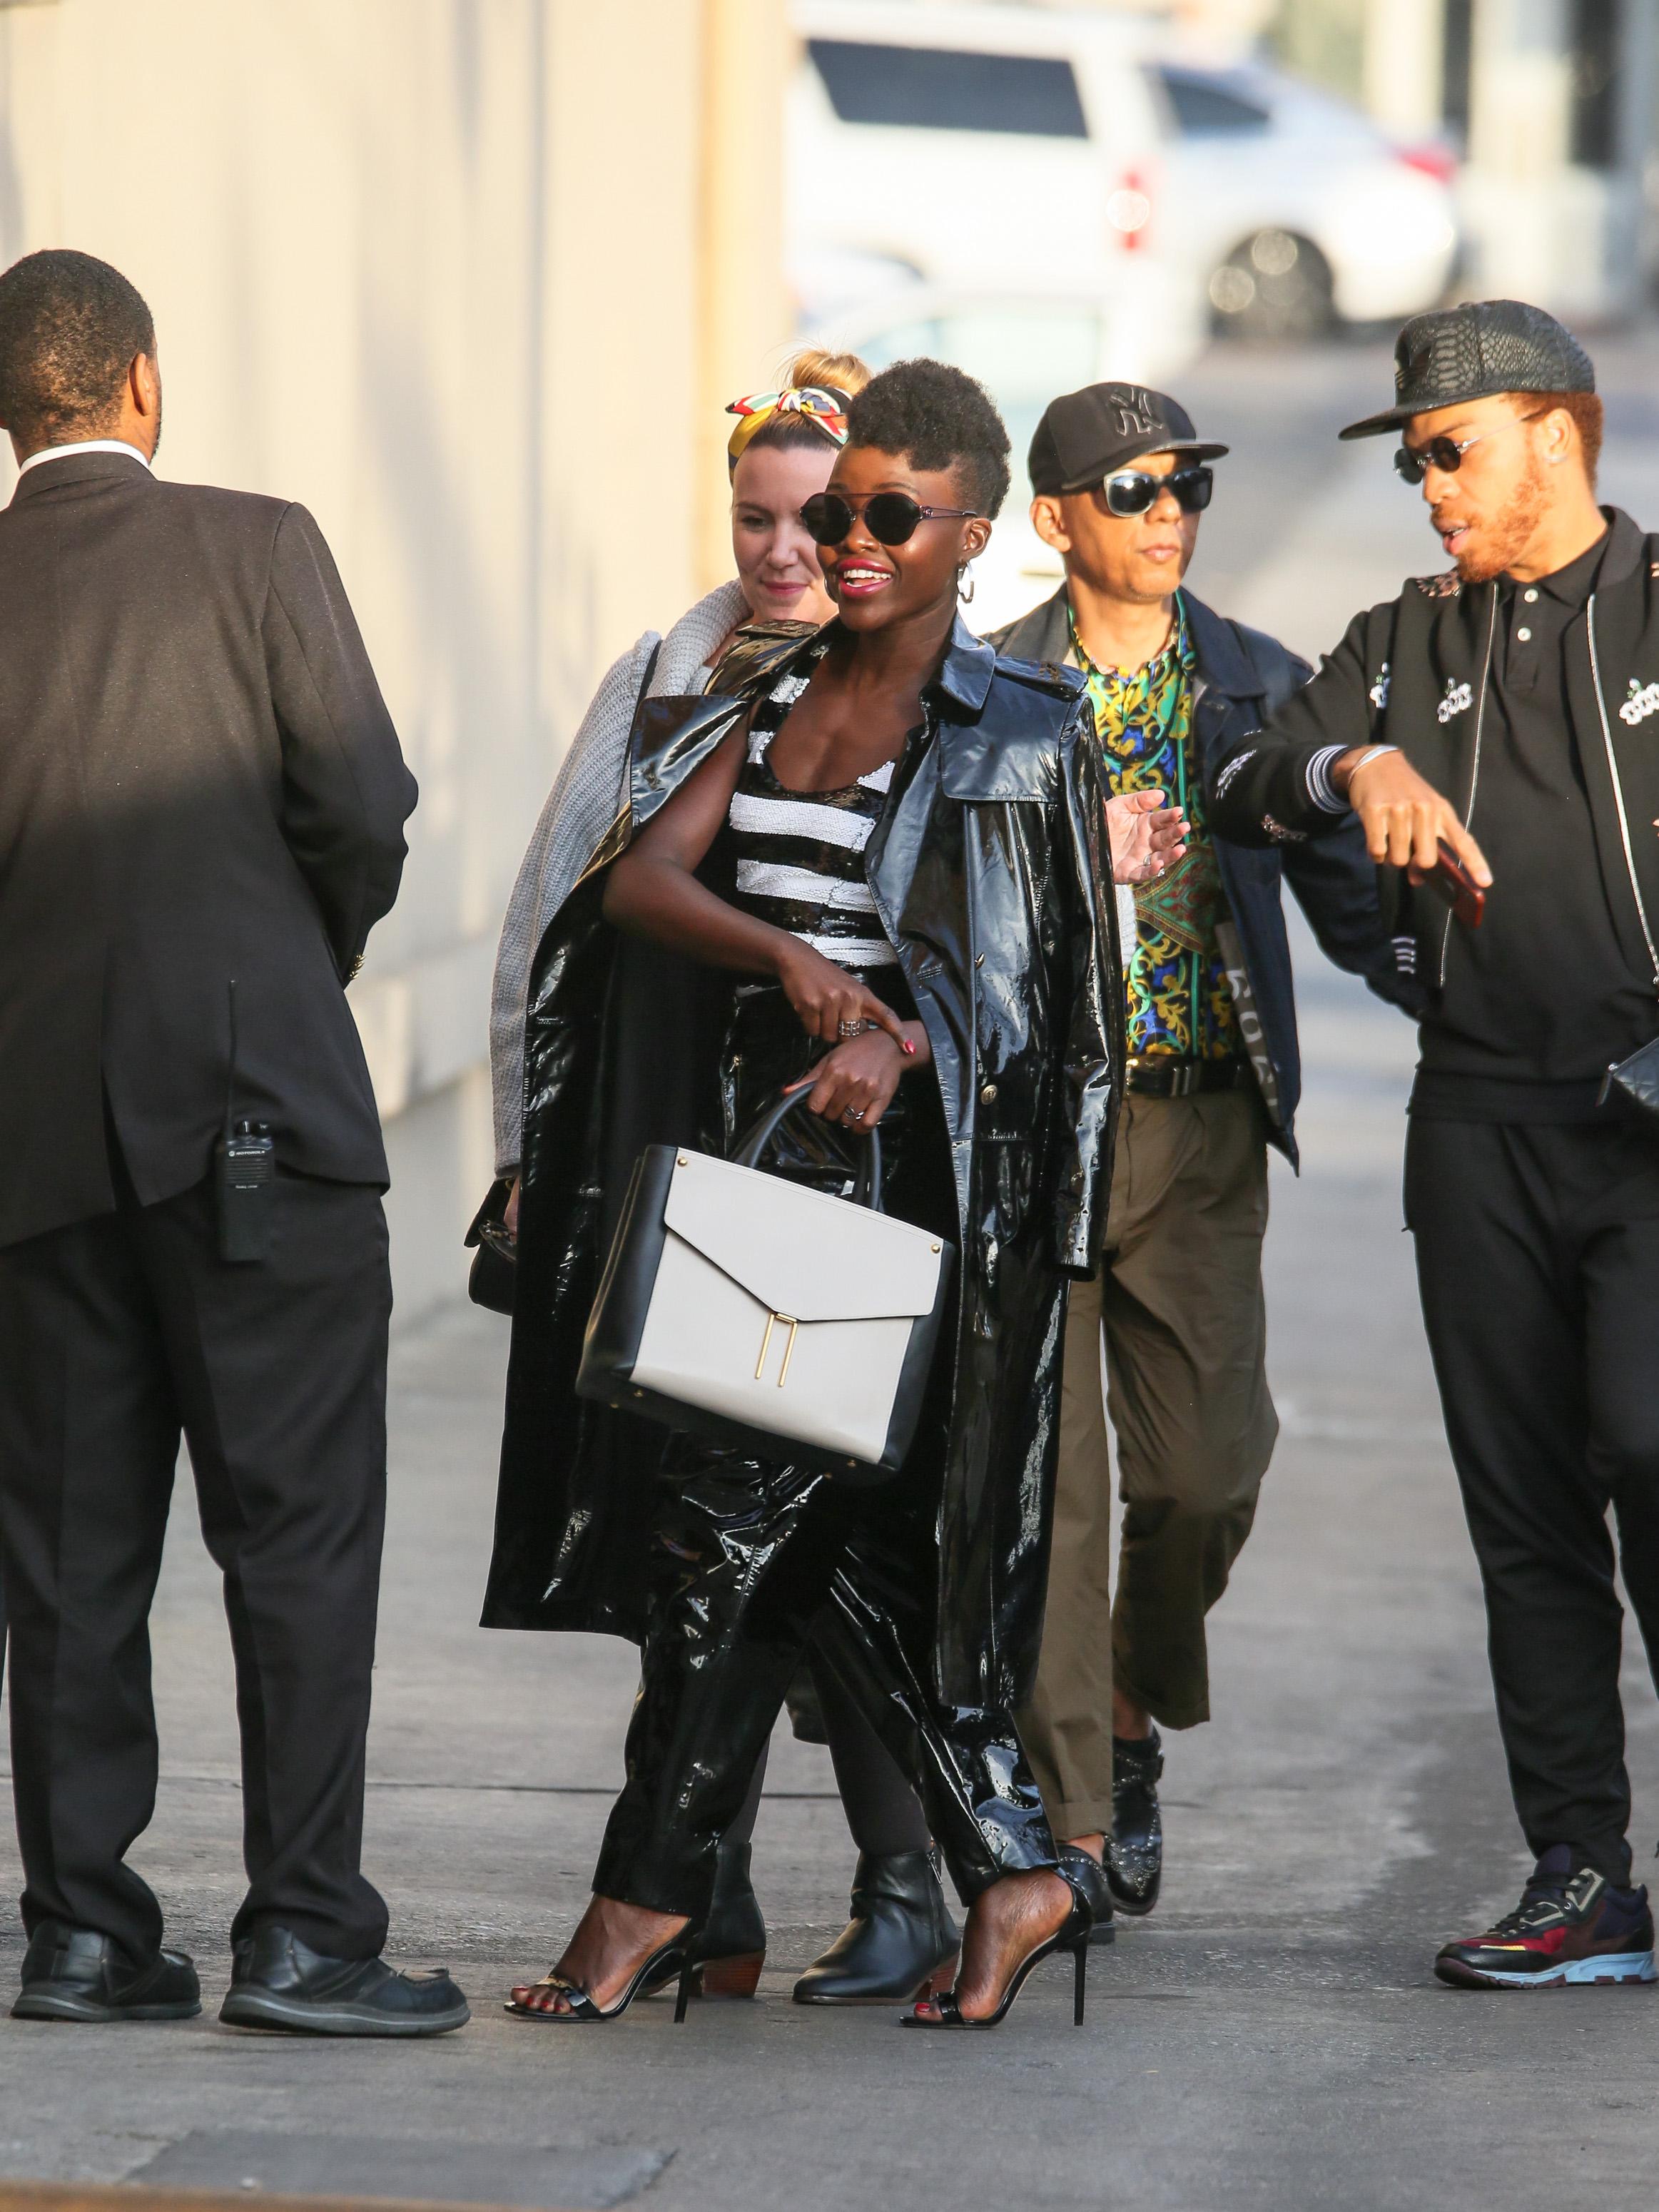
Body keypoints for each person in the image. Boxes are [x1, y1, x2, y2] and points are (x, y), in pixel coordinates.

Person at [484, 358, 1174, 2028]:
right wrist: (797, 963)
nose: (847, 540)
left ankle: (640, 1900)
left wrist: (909, 1041)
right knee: (822, 1561)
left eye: (887, 514)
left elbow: (1055, 1001)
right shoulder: (772, 694)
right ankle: (1009, 1862)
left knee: (724, 1535)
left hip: (917, 1212)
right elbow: (640, 878)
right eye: (831, 509)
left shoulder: (1019, 735)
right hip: (760, 1178)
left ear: (970, 531)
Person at [0, 249, 467, 2034]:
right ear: (140, 381)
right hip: (255, 1124)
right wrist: (290, 962)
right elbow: (359, 804)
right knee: (295, 1537)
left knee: (67, 1555)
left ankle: (87, 1937)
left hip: (35, 1148)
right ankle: (301, 1937)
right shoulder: (256, 542)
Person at [489, 350, 977, 2009]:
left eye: (840, 512)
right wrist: (517, 1151)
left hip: (882, 1191)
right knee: (723, 1549)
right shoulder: (702, 677)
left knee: (777, 1542)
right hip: (717, 1168)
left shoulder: (978, 715)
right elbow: (574, 903)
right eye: (770, 516)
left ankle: (835, 1882)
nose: (802, 544)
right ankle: (757, 1895)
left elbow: (1008, 981)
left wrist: (893, 1040)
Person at [1206, 298, 1659, 1990]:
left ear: (1552, 428)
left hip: (1648, 1126)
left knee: (1648, 1440)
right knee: (1525, 1511)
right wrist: (1349, 761)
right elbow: (1236, 764)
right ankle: (1580, 1874)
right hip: (1476, 1119)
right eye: (1407, 461)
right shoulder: (1400, 640)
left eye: (1445, 451)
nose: (1425, 485)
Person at [989, 384, 1418, 1931]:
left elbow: (1357, 910)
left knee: (1201, 1477)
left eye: (1186, 486)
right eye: (1130, 490)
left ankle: (1121, 1698)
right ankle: (1076, 1828)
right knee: (1064, 1503)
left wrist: (1486, 999)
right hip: (1038, 1130)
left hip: (1200, 1118)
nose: (1165, 512)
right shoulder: (984, 689)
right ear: (1055, 520)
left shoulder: (1252, 684)